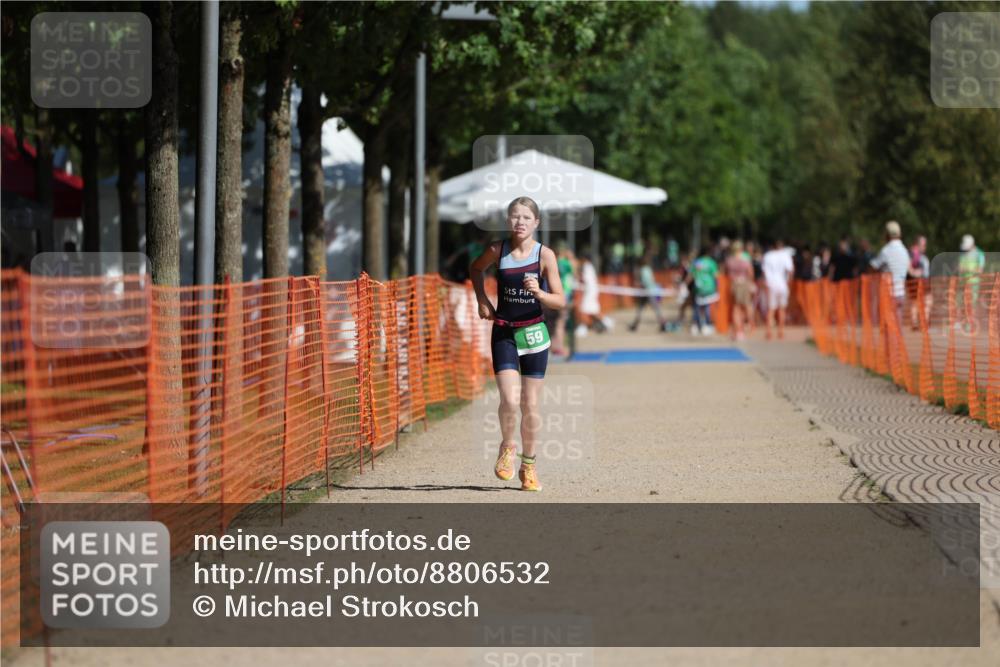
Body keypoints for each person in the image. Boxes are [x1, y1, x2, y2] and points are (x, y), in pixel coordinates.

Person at [470, 197, 566, 492]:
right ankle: (507, 446)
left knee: (530, 404)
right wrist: (482, 300)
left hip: (534, 334)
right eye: (515, 216)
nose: (520, 222)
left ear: (536, 223)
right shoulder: (497, 250)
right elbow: (476, 269)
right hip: (504, 332)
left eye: (526, 217)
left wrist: (540, 293)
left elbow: (560, 301)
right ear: (508, 220)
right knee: (510, 400)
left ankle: (529, 466)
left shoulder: (545, 255)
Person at [869, 220, 910, 325]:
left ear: (887, 234)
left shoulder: (886, 250)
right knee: (898, 324)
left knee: (889, 326)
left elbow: (873, 267)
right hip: (901, 293)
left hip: (889, 293)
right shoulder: (905, 251)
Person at [628, 248, 668, 332]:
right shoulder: (647, 269)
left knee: (652, 308)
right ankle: (636, 324)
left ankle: (662, 324)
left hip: (648, 291)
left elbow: (646, 282)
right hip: (648, 291)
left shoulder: (643, 270)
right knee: (645, 308)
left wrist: (641, 285)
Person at [762, 239, 794, 339]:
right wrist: (789, 282)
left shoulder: (767, 256)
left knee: (771, 309)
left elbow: (764, 271)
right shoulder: (785, 255)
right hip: (782, 285)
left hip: (771, 285)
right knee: (782, 309)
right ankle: (781, 331)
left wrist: (766, 282)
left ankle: (768, 331)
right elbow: (790, 270)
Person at [724, 240, 754, 341]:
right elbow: (750, 273)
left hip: (733, 284)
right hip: (744, 284)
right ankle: (743, 329)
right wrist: (751, 284)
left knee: (736, 308)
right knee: (745, 307)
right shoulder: (745, 259)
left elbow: (726, 272)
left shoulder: (729, 260)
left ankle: (737, 331)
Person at [576, 251, 609, 336]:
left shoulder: (586, 267)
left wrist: (578, 279)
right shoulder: (589, 266)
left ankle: (583, 327)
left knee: (585, 309)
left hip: (590, 291)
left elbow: (585, 280)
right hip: (591, 291)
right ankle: (606, 322)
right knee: (592, 310)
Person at [957, 233, 985, 332]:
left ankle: (969, 325)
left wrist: (967, 270)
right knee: (961, 304)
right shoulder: (963, 253)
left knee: (971, 304)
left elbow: (980, 270)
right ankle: (962, 323)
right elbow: (959, 267)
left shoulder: (980, 254)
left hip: (974, 284)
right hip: (963, 283)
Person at [689, 249, 719, 335]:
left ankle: (695, 325)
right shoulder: (711, 262)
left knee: (697, 306)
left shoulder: (696, 262)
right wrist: (717, 287)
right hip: (709, 287)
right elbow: (715, 275)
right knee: (706, 306)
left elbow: (692, 275)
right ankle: (707, 325)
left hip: (698, 287)